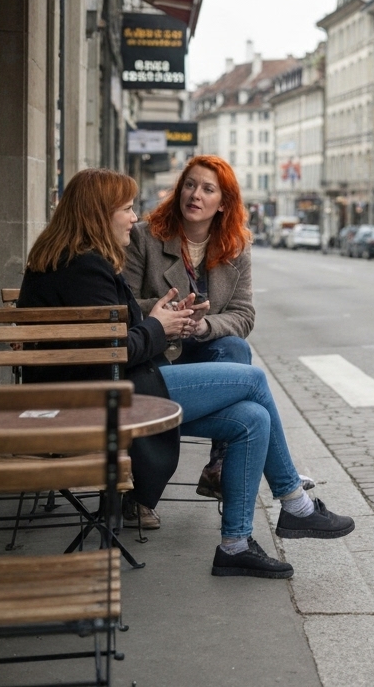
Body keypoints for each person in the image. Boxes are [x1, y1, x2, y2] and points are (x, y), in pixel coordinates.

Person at [19, 168, 353, 579]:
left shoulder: (83, 260)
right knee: (254, 381)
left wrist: (162, 322)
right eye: (125, 209)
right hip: (99, 399)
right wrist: (160, 325)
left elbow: (113, 344)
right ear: (98, 213)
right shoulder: (82, 267)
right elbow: (112, 354)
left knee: (253, 417)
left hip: (109, 390)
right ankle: (294, 502)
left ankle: (234, 545)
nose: (133, 217)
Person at [123, 155, 254, 509]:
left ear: (223, 203)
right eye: (190, 185)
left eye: (208, 189)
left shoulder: (235, 247)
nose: (195, 194)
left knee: (235, 350)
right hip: (158, 355)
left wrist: (205, 324)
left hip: (204, 347)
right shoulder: (144, 238)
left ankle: (219, 465)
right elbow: (125, 303)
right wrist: (172, 313)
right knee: (250, 404)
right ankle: (141, 493)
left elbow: (244, 315)